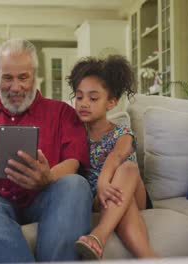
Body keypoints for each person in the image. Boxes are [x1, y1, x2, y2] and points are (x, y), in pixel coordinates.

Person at [0, 38, 92, 262]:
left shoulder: (62, 112)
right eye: (7, 78)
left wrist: (48, 177)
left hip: (43, 197)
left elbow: (73, 162)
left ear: (34, 75)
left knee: (76, 184)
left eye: (23, 77)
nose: (15, 87)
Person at [67, 56, 157, 259]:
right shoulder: (74, 134)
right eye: (79, 97)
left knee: (129, 168)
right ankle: (152, 259)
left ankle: (99, 235)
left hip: (130, 191)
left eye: (93, 98)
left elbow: (117, 156)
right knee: (123, 206)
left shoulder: (122, 133)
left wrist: (103, 182)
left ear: (111, 102)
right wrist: (100, 189)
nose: (84, 104)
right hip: (99, 199)